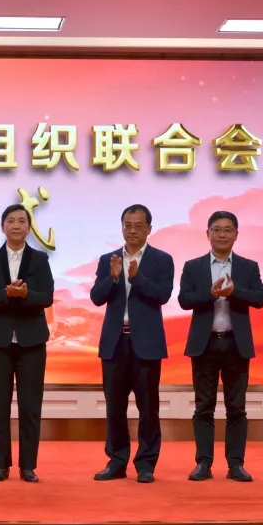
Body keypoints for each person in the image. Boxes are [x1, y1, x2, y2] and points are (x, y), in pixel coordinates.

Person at [177, 210, 263, 483]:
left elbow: (260, 298)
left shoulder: (248, 267)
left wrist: (233, 292)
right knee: (203, 407)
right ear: (208, 234)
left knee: (236, 408)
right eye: (217, 229)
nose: (222, 234)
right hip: (204, 346)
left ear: (236, 235)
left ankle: (236, 465)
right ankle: (203, 463)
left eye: (228, 230)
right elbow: (184, 300)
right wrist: (212, 293)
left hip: (235, 345)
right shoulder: (193, 266)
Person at [89, 204, 174, 484]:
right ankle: (117, 461)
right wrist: (113, 278)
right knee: (115, 407)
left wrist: (137, 279)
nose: (132, 230)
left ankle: (146, 464)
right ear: (122, 227)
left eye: (138, 226)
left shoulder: (162, 260)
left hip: (146, 344)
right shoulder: (109, 260)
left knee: (148, 407)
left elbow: (162, 295)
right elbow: (96, 297)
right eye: (128, 225)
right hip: (115, 343)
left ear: (149, 228)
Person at [0, 204, 55, 483]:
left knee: (30, 407)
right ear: (3, 227)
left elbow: (47, 297)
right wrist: (6, 294)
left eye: (22, 221)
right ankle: (1, 465)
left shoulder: (39, 259)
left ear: (29, 228)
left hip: (31, 342)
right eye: (11, 221)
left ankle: (28, 466)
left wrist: (25, 294)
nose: (16, 225)